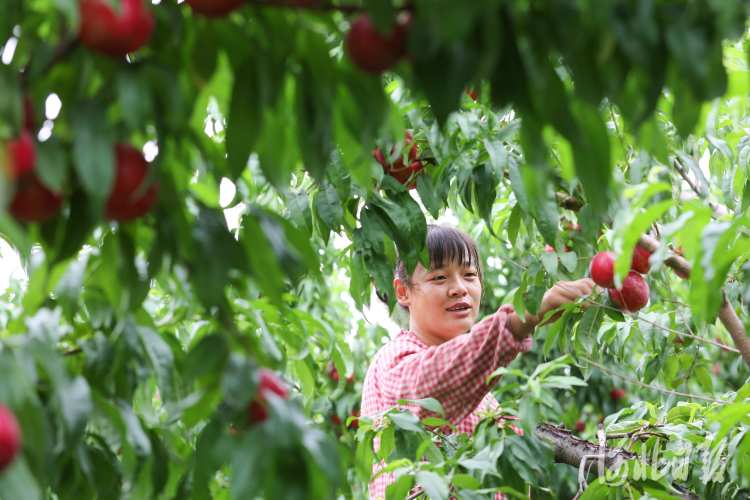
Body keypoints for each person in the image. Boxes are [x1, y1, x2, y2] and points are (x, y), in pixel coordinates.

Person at [361, 224, 596, 500]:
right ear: (403, 292)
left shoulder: (485, 398)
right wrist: (524, 318)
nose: (459, 288)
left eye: (470, 275)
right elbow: (424, 391)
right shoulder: (393, 359)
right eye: (439, 278)